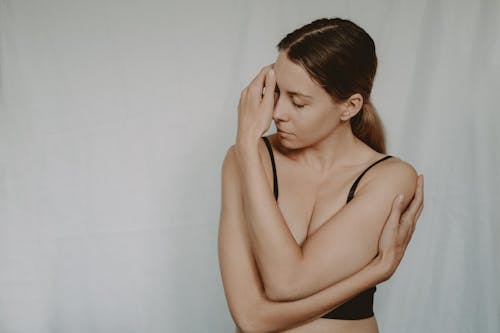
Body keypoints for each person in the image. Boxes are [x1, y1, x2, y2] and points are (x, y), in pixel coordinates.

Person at [218, 17, 424, 333]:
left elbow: (286, 283)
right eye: (277, 93)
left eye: (298, 102)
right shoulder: (246, 158)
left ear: (349, 106)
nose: (277, 113)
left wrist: (246, 148)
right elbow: (250, 318)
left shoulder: (389, 178)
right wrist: (375, 272)